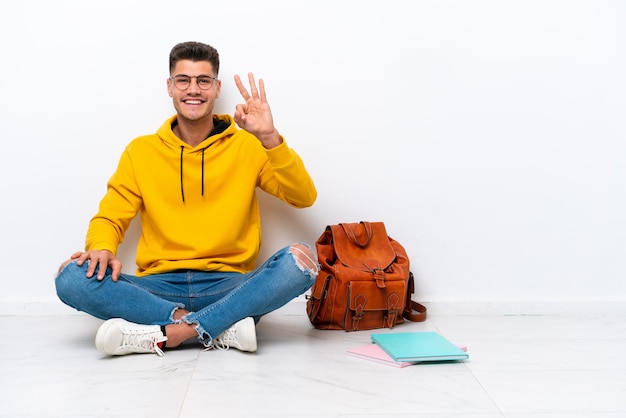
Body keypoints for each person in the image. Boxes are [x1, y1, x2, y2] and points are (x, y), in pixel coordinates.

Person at [55, 41, 319, 357]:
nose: (193, 89)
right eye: (183, 80)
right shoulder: (141, 151)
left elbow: (303, 197)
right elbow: (111, 215)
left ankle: (171, 333)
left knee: (301, 261)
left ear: (217, 87)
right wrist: (101, 247)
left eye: (203, 80)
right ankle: (216, 327)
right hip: (158, 288)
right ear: (170, 87)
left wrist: (269, 137)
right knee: (70, 277)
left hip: (229, 286)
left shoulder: (247, 146)